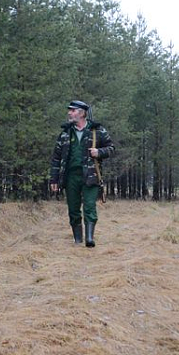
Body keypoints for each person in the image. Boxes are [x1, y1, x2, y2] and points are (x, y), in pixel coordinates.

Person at [50, 100, 115, 247]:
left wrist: (99, 152)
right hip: (70, 177)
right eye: (69, 110)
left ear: (82, 113)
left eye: (72, 110)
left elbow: (111, 148)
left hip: (91, 176)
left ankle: (89, 239)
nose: (69, 113)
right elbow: (56, 158)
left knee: (89, 207)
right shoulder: (65, 133)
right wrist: (53, 180)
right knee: (73, 208)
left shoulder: (97, 131)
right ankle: (78, 239)